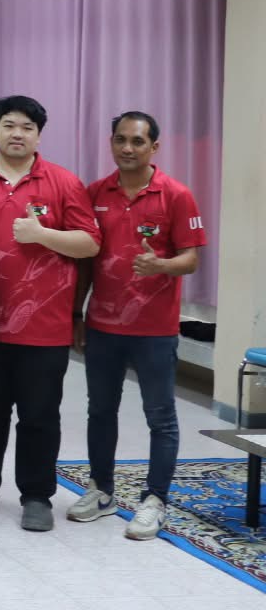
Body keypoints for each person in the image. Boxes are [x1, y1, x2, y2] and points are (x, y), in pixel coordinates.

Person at [0, 95, 100, 532]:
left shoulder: (63, 182)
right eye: (9, 125)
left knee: (39, 415)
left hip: (44, 327)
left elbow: (90, 243)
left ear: (39, 136)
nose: (17, 134)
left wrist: (43, 234)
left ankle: (36, 496)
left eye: (27, 127)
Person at [68, 111, 206, 541]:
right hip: (103, 326)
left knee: (160, 416)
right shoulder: (95, 193)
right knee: (100, 411)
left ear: (154, 147)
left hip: (154, 329)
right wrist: (76, 314)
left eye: (138, 141)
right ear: (111, 142)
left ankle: (155, 500)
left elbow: (191, 259)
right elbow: (85, 261)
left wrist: (160, 265)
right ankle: (102, 491)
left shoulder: (176, 195)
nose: (128, 148)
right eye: (121, 140)